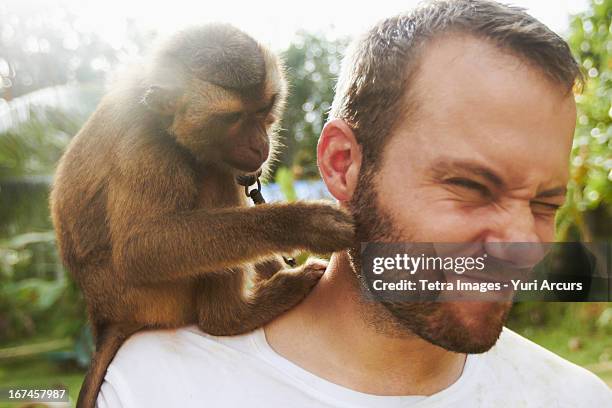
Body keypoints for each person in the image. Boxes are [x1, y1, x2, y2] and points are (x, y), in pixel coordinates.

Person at [97, 0, 612, 406]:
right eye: (471, 187)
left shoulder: (576, 398)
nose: (521, 245)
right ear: (342, 164)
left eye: (546, 203)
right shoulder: (150, 387)